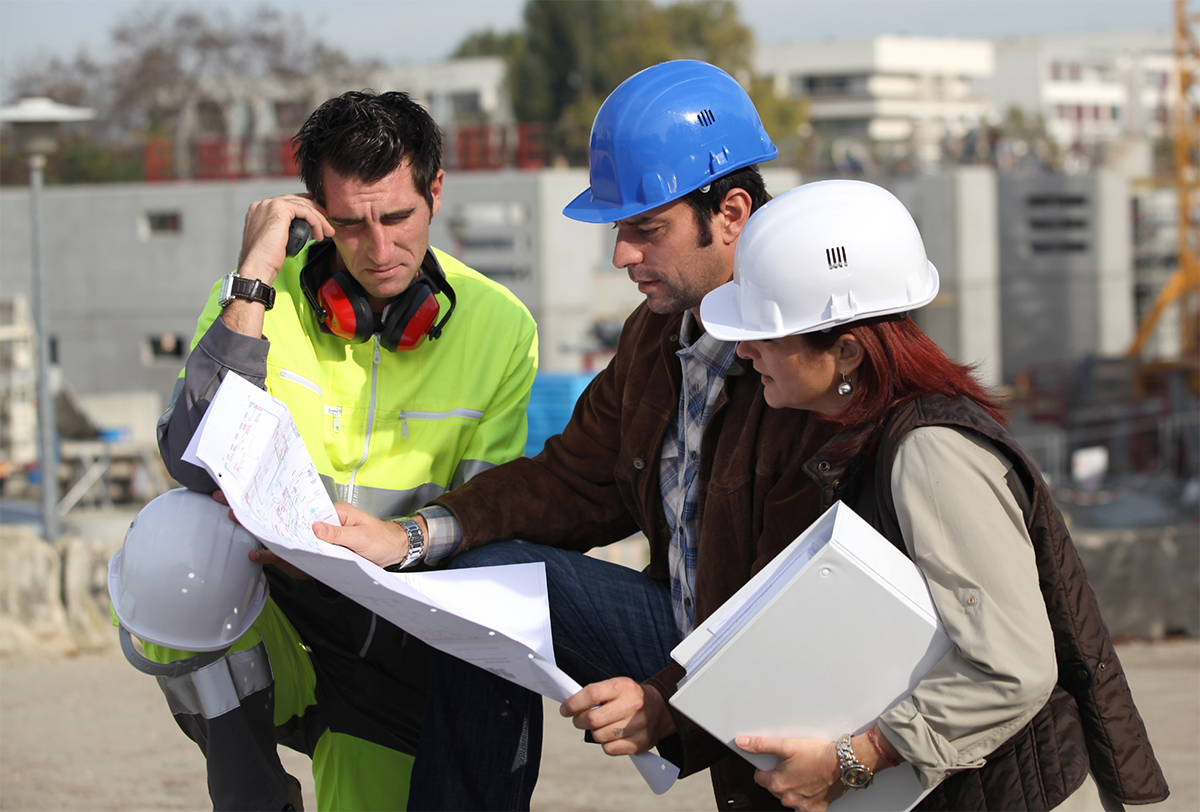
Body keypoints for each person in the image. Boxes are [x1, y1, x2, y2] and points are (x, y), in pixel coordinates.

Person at [317, 60, 827, 811]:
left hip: (800, 660)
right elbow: (569, 480)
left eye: (646, 229)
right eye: (619, 229)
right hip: (689, 624)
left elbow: (805, 599)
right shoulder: (657, 338)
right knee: (485, 579)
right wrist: (417, 536)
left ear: (733, 213)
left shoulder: (808, 353)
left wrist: (666, 699)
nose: (622, 255)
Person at [696, 179, 1169, 811]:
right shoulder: (874, 438)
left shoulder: (929, 453)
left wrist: (850, 761)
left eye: (764, 333)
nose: (745, 349)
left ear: (847, 352)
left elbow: (1010, 668)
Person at [143, 90, 538, 812]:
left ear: (436, 192)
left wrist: (395, 545)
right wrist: (256, 272)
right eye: (351, 225)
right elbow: (190, 459)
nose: (380, 250)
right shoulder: (254, 298)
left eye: (397, 217)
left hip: (395, 641)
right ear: (314, 211)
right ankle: (253, 797)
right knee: (170, 543)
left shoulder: (502, 325)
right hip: (270, 612)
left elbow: (486, 519)